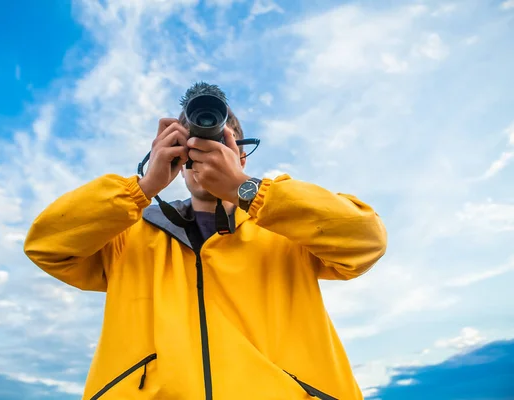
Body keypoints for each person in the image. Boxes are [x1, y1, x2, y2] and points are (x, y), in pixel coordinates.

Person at [24, 85, 387, 400]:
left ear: (240, 155)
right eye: (190, 147)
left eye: (217, 143)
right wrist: (142, 188)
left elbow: (366, 241)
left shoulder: (287, 226)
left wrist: (247, 190)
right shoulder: (126, 236)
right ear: (175, 157)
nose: (202, 156)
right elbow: (46, 245)